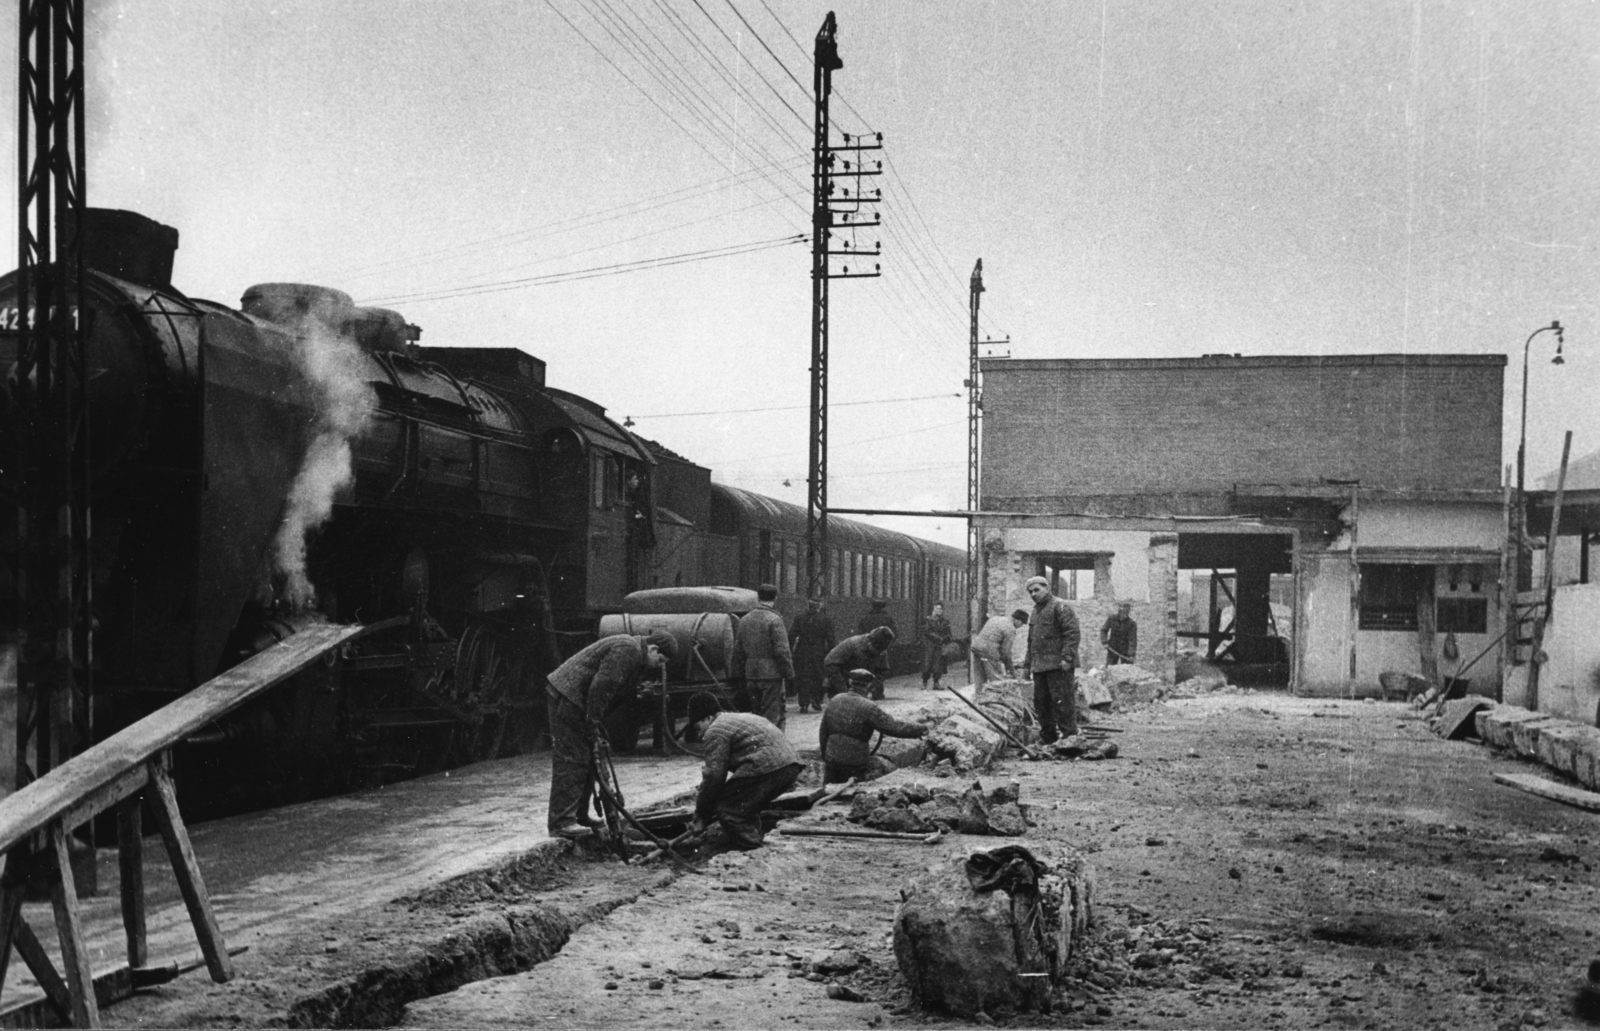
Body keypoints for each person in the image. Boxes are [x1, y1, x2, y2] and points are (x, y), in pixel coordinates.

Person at [544, 628, 677, 838]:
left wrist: (597, 721)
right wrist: (593, 719)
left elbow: (615, 693)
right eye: (660, 660)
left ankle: (579, 816)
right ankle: (561, 823)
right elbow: (603, 684)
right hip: (568, 697)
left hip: (577, 700)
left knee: (589, 758)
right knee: (572, 758)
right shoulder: (629, 650)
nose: (659, 666)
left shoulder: (636, 656)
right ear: (652, 648)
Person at [684, 691, 804, 849]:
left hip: (768, 768)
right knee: (744, 805)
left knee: (728, 808)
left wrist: (701, 815)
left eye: (698, 728)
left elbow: (714, 776)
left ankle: (753, 849)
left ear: (708, 717)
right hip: (790, 765)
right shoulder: (740, 718)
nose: (699, 735)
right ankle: (755, 837)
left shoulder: (715, 731)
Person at [819, 669, 929, 783]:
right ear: (869, 685)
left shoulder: (835, 700)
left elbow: (823, 731)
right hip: (854, 761)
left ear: (850, 682)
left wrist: (825, 754)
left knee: (827, 791)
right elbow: (893, 727)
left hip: (832, 758)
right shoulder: (869, 707)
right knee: (851, 793)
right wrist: (920, 729)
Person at [1024, 575, 1080, 745]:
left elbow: (1072, 633)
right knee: (1042, 704)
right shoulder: (1035, 611)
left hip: (1059, 665)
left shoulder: (1060, 607)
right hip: (1040, 667)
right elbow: (1031, 641)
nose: (1033, 594)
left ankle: (1070, 738)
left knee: (1063, 702)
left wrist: (1067, 658)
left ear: (1047, 588)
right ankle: (1048, 737)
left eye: (1037, 590)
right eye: (1030, 591)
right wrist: (1027, 666)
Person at [729, 583, 795, 728]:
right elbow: (782, 651)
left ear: (758, 598)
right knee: (772, 716)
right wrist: (789, 674)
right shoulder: (774, 619)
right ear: (775, 598)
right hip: (771, 675)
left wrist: (737, 673)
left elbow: (738, 650)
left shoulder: (745, 619)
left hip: (751, 674)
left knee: (757, 715)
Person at [790, 598, 837, 714]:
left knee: (803, 676)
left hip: (802, 651)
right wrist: (832, 653)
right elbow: (831, 639)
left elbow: (791, 635)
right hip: (819, 652)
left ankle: (804, 704)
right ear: (819, 606)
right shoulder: (826, 620)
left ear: (808, 606)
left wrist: (791, 651)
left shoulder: (799, 618)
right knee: (818, 676)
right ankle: (816, 700)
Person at [823, 626, 895, 700]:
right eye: (875, 649)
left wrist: (873, 686)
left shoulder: (882, 651)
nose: (877, 653)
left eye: (880, 651)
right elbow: (830, 662)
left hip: (861, 688)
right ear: (870, 641)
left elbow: (883, 670)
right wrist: (843, 690)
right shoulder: (852, 644)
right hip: (842, 683)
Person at [971, 609, 1029, 686]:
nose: (1020, 626)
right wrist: (1012, 671)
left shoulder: (996, 618)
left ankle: (979, 695)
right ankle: (997, 696)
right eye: (1021, 624)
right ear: (1018, 620)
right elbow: (1006, 653)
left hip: (976, 647)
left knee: (980, 677)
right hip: (988, 651)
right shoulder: (1010, 629)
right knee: (996, 680)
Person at [854, 599, 898, 684]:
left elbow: (860, 632)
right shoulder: (888, 618)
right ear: (883, 607)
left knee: (866, 668)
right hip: (882, 648)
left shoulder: (865, 618)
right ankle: (877, 691)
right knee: (880, 670)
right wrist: (889, 645)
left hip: (868, 646)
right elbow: (894, 633)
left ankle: (864, 688)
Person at [920, 602, 953, 691]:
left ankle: (936, 683)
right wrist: (938, 638)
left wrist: (947, 638)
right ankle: (924, 682)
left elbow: (949, 633)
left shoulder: (945, 621)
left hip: (939, 646)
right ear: (933, 609)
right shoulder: (928, 620)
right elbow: (927, 631)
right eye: (938, 608)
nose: (940, 611)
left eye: (941, 609)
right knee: (927, 665)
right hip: (929, 645)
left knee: (938, 666)